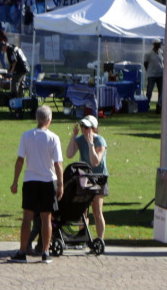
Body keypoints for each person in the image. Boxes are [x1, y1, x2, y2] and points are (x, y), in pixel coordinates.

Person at [10, 105, 63, 263]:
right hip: (48, 180)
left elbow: (20, 160)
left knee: (28, 217)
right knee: (46, 217)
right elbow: (58, 163)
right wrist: (61, 184)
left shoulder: (26, 136)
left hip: (30, 180)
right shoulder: (53, 138)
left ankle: (22, 251)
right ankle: (45, 252)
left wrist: (15, 181)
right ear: (49, 120)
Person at [68, 114, 108, 243]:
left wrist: (91, 144)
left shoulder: (100, 141)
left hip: (98, 178)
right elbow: (69, 154)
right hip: (84, 177)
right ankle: (82, 236)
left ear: (94, 128)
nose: (84, 130)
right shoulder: (80, 139)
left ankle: (100, 239)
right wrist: (74, 136)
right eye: (82, 127)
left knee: (97, 211)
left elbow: (95, 162)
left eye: (87, 127)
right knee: (82, 210)